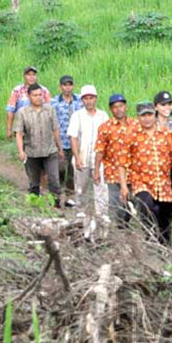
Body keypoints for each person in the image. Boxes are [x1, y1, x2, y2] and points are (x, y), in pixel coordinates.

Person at [125, 101, 172, 244]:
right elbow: (122, 162)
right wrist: (123, 185)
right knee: (147, 208)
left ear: (155, 115)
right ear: (138, 117)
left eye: (149, 115)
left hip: (163, 184)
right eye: (143, 115)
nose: (147, 118)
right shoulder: (131, 135)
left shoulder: (166, 134)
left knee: (165, 214)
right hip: (141, 183)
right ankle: (150, 241)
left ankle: (165, 245)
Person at [68, 85, 110, 239]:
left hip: (100, 160)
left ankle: (102, 218)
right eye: (85, 98)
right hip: (83, 158)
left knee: (101, 188)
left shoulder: (103, 116)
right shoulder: (77, 115)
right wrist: (77, 157)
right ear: (82, 100)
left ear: (95, 98)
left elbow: (107, 138)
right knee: (81, 188)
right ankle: (80, 217)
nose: (88, 101)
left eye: (91, 98)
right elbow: (73, 137)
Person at [13, 83, 63, 207]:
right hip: (32, 152)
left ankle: (56, 205)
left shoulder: (50, 110)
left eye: (40, 95)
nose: (38, 97)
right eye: (35, 95)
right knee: (34, 183)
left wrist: (60, 148)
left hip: (50, 150)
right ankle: (34, 206)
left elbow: (55, 130)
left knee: (54, 180)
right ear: (29, 96)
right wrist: (21, 151)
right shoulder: (22, 113)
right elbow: (19, 133)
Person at [94, 94, 139, 225]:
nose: (118, 109)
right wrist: (96, 170)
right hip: (113, 172)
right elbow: (100, 150)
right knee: (116, 204)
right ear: (111, 109)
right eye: (115, 107)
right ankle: (119, 228)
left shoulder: (136, 125)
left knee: (134, 201)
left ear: (126, 107)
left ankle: (126, 224)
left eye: (121, 106)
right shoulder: (105, 128)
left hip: (134, 172)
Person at [52, 75, 83, 204]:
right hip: (60, 141)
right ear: (60, 87)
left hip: (76, 142)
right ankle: (57, 194)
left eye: (70, 85)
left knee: (72, 170)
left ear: (73, 86)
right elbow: (52, 122)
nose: (67, 87)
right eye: (65, 85)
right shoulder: (54, 102)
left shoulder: (80, 101)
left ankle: (70, 196)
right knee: (59, 169)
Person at [5, 67, 51, 139]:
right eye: (29, 75)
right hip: (22, 127)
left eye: (33, 75)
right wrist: (9, 129)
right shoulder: (17, 90)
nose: (31, 77)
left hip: (40, 128)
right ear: (24, 76)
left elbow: (50, 110)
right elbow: (10, 110)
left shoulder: (44, 90)